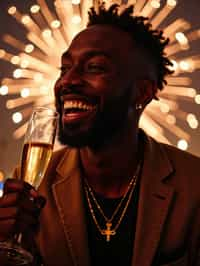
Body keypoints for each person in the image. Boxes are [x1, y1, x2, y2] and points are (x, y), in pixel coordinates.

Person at [0, 3, 199, 266]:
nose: (67, 81)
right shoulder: (32, 186)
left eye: (95, 67)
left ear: (142, 93)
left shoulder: (194, 185)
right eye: (65, 68)